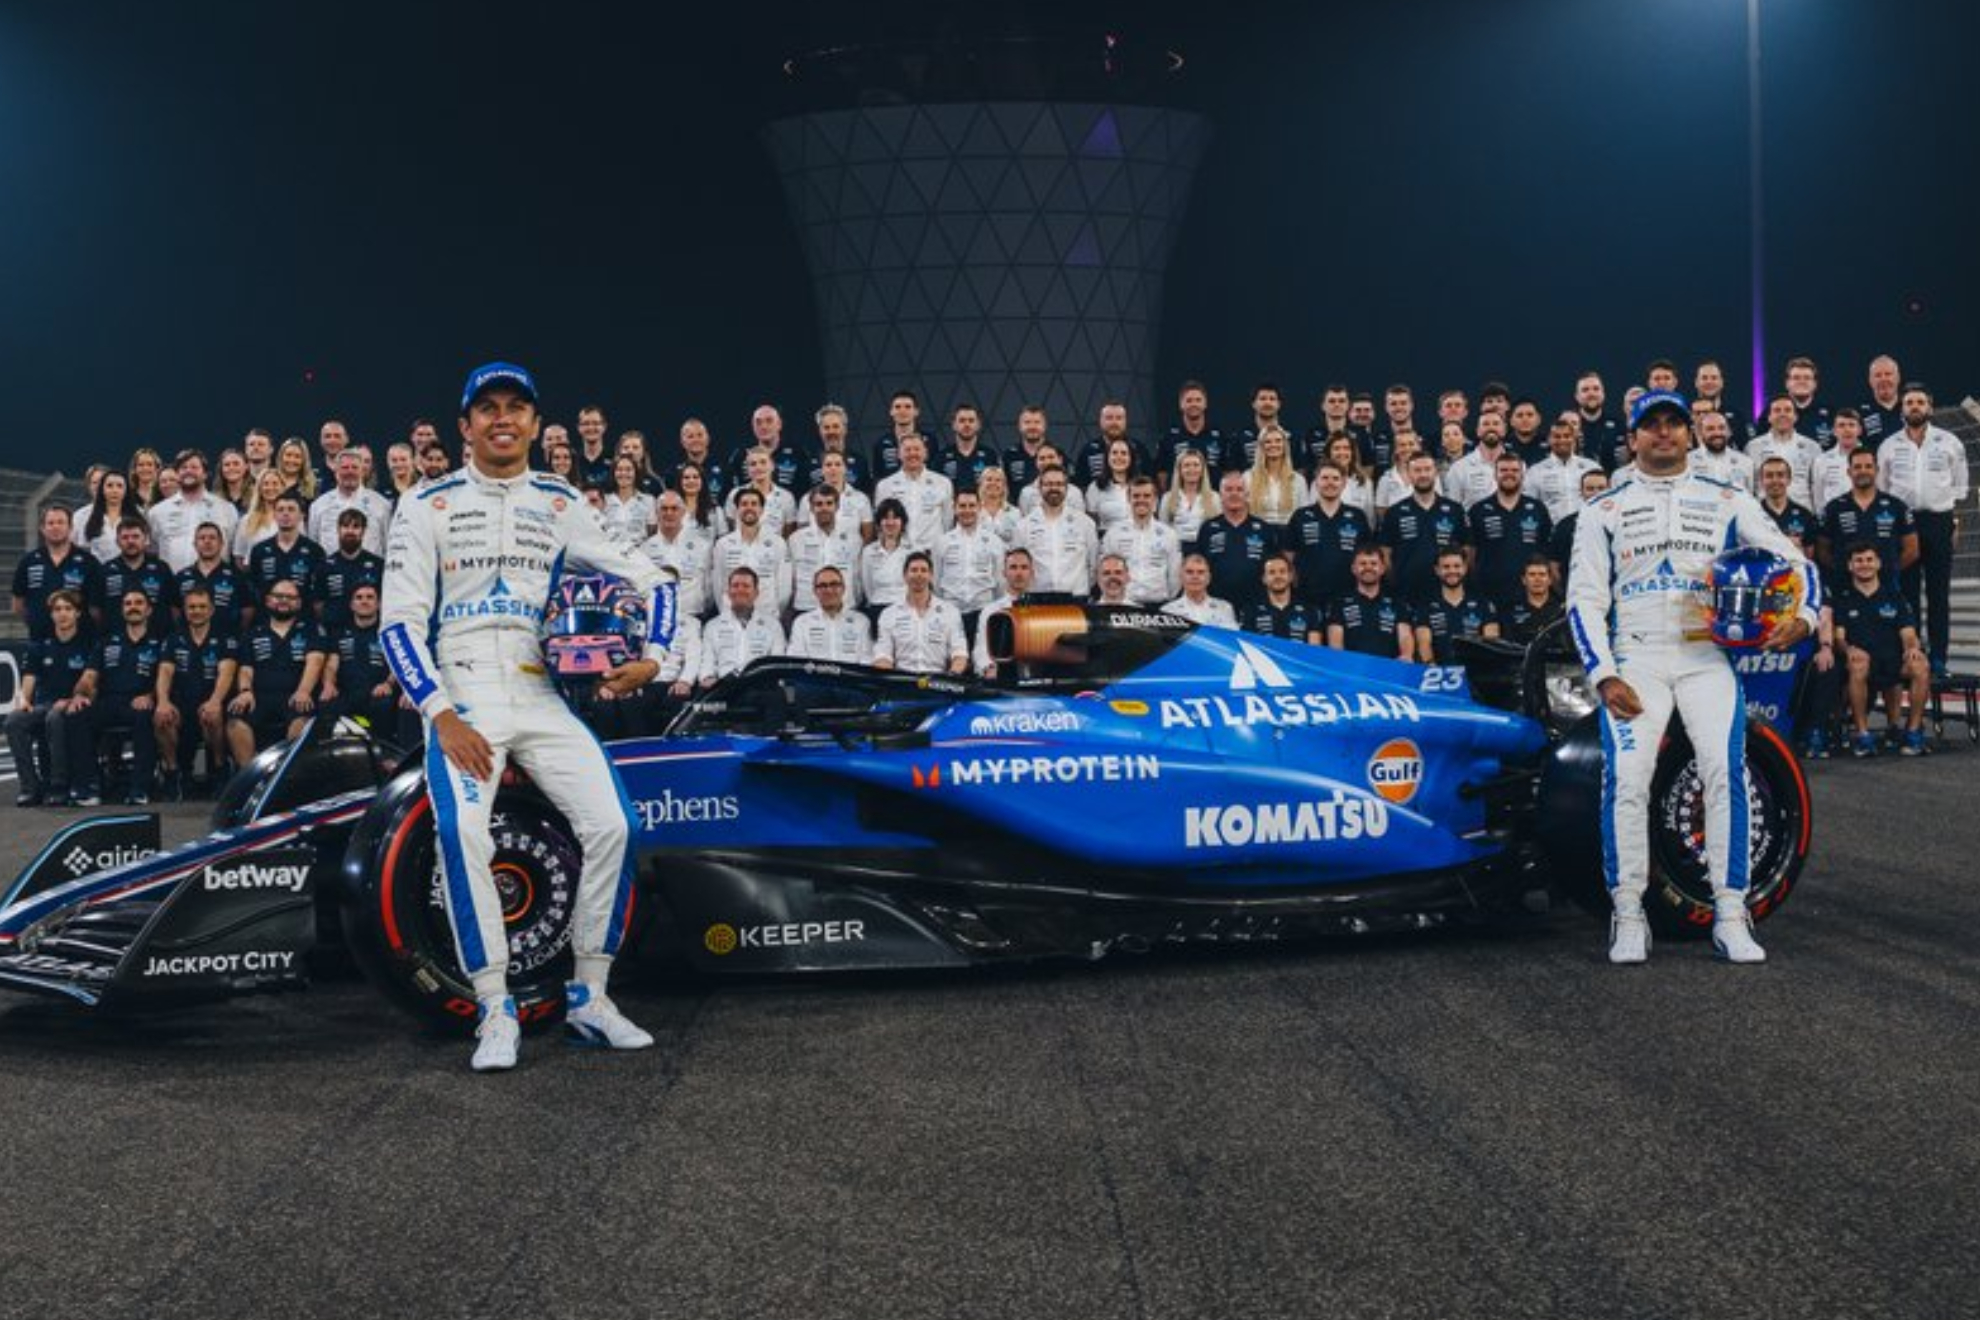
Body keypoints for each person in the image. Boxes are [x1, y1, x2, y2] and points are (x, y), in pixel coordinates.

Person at [381, 363, 675, 1071]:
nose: (503, 419)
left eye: (516, 407)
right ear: (465, 426)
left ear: (536, 425)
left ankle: (590, 999)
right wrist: (441, 714)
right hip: (463, 689)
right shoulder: (425, 503)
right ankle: (493, 1006)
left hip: (539, 687)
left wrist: (655, 658)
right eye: (488, 409)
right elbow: (397, 624)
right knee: (461, 829)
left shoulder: (561, 499)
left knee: (614, 825)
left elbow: (655, 579)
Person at [1566, 390, 1817, 967]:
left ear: (1690, 434)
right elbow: (1583, 600)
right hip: (1636, 658)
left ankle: (1730, 913)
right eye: (1651, 424)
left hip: (1706, 657)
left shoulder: (1727, 497)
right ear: (1633, 437)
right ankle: (1628, 913)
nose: (1663, 433)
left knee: (1724, 773)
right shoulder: (1601, 509)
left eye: (1673, 424)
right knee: (1628, 779)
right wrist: (1603, 674)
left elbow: (1795, 562)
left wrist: (1803, 618)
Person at [1877, 383, 1970, 678]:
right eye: (1909, 402)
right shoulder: (1888, 445)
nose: (1915, 406)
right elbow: (1883, 487)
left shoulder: (1950, 441)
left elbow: (1960, 486)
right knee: (1907, 593)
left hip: (1939, 522)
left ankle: (1939, 658)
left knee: (1938, 592)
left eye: (1920, 402)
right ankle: (1912, 656)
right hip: (1903, 525)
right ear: (1902, 409)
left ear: (1929, 407)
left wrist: (1953, 521)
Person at [1833, 541, 1931, 757]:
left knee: (1920, 664)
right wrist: (1849, 650)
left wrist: (1912, 648)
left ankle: (1913, 732)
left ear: (1878, 563)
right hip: (1863, 663)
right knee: (1858, 664)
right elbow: (1838, 639)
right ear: (1850, 566)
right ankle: (1863, 735)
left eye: (1869, 560)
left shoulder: (1894, 597)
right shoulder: (1843, 599)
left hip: (1893, 661)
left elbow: (1908, 634)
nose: (1864, 564)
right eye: (1859, 560)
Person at [6, 590, 97, 806]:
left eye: (68, 609)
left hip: (75, 707)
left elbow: (92, 683)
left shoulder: (88, 645)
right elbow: (28, 680)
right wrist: (24, 701)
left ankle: (58, 785)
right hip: (45, 705)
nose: (62, 614)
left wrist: (73, 699)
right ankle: (30, 787)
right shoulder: (40, 646)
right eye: (57, 609)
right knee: (14, 721)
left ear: (77, 613)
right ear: (51, 614)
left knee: (55, 717)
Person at [78, 589, 168, 803]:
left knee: (145, 717)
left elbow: (167, 678)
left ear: (149, 610)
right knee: (78, 716)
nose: (133, 607)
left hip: (141, 702)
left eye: (138, 603)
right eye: (128, 603)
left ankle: (140, 789)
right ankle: (89, 787)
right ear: (122, 610)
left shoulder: (161, 643)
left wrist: (151, 696)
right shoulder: (107, 642)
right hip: (109, 701)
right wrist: (80, 694)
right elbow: (89, 676)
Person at [226, 580, 329, 761]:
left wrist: (304, 691)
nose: (284, 600)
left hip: (295, 696)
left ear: (299, 603)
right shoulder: (253, 633)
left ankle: (288, 776)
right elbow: (245, 669)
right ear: (268, 600)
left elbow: (315, 662)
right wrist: (245, 691)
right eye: (278, 596)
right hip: (259, 697)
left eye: (290, 597)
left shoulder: (311, 630)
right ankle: (250, 776)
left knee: (302, 723)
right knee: (236, 721)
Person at [154, 584, 240, 797]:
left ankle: (220, 769)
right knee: (162, 717)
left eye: (202, 607)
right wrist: (163, 701)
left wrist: (215, 701)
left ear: (211, 610)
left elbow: (227, 673)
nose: (197, 611)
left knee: (213, 714)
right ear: (184, 610)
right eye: (192, 607)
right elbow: (165, 672)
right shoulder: (174, 639)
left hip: (212, 701)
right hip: (182, 703)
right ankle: (173, 774)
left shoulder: (225, 639)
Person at [1818, 449, 1916, 591]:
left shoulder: (1896, 506)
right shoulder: (1834, 508)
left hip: (1887, 587)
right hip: (1845, 587)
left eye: (1868, 466)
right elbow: (1822, 550)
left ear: (1876, 470)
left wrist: (1890, 570)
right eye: (1857, 467)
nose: (1863, 471)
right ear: (1849, 472)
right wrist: (1843, 569)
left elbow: (1912, 549)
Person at [1284, 460, 1372, 615]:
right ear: (1316, 483)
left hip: (1349, 595)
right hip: (1307, 597)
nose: (1330, 483)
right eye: (1324, 478)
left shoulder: (1357, 516)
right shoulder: (1300, 516)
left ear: (1344, 483)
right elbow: (1288, 556)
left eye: (1335, 478)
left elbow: (1367, 555)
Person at [1380, 453, 1470, 604]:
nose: (1423, 475)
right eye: (1417, 470)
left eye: (1427, 469)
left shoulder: (1455, 510)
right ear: (1409, 474)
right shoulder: (1394, 512)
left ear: (1435, 472)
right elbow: (1386, 554)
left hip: (1446, 595)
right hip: (1406, 594)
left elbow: (1466, 550)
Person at [1467, 453, 1553, 608]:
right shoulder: (1478, 510)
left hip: (1529, 595)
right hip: (1489, 592)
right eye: (1503, 470)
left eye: (1514, 470)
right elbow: (1471, 555)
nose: (1509, 474)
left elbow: (1547, 551)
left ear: (1522, 475)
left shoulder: (1537, 508)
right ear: (1495, 475)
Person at [1192, 471, 1277, 615]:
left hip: (1256, 605)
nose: (1234, 494)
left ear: (1247, 495)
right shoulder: (1208, 528)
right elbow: (1199, 566)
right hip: (1216, 605)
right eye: (1229, 489)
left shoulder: (1264, 529)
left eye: (1239, 489)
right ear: (1220, 495)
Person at [873, 551, 968, 674]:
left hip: (937, 680)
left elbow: (960, 654)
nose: (919, 574)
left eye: (924, 570)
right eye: (914, 570)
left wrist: (951, 677)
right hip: (902, 680)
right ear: (905, 576)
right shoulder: (888, 614)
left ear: (931, 576)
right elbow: (883, 656)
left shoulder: (951, 612)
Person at [319, 583, 397, 732]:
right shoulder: (339, 632)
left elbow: (397, 664)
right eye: (359, 598)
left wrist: (388, 684)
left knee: (383, 704)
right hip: (346, 694)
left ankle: (383, 746)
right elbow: (331, 666)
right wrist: (328, 684)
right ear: (351, 605)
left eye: (370, 597)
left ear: (379, 604)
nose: (364, 601)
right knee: (326, 703)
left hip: (377, 693)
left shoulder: (388, 632)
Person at [13, 506, 99, 641]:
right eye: (51, 523)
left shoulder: (89, 562)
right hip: (40, 641)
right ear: (42, 528)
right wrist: (36, 622)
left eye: (60, 522)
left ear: (70, 528)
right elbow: (18, 605)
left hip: (80, 642)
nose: (55, 527)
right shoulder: (28, 562)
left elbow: (96, 608)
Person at [147, 450, 240, 573]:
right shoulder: (157, 512)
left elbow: (234, 550)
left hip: (215, 582)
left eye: (194, 467)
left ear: (205, 474)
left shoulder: (226, 509)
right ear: (177, 474)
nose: (188, 471)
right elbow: (151, 551)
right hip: (171, 582)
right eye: (183, 467)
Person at [1015, 467, 1098, 599]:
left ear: (1067, 488)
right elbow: (1018, 567)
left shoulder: (1085, 523)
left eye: (1059, 484)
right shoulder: (1023, 526)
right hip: (1037, 599)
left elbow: (1094, 565)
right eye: (1048, 484)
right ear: (1039, 488)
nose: (1054, 488)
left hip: (1076, 599)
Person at [1099, 476, 1182, 608]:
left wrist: (1167, 600)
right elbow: (1104, 571)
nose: (1141, 500)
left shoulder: (1169, 534)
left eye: (1146, 496)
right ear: (1128, 499)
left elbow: (1175, 577)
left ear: (1155, 500)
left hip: (1159, 606)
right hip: (1124, 605)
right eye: (1136, 496)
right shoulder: (1114, 533)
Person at [698, 566, 787, 686]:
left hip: (760, 687)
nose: (740, 590)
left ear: (756, 593)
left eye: (746, 586)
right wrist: (707, 677)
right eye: (735, 586)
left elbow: (777, 663)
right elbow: (707, 662)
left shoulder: (773, 626)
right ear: (728, 592)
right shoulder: (712, 626)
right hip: (723, 687)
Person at [711, 487, 793, 616]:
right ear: (737, 510)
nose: (749, 508)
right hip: (731, 616)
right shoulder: (723, 544)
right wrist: (725, 611)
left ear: (762, 510)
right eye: (744, 504)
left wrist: (774, 612)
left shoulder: (778, 543)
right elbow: (718, 585)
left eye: (754, 504)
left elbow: (784, 587)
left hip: (767, 615)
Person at [1325, 544, 1414, 660]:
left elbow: (1405, 637)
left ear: (1382, 569)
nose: (1368, 568)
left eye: (1374, 563)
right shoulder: (1339, 604)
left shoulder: (1397, 603)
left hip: (1388, 668)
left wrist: (1406, 656)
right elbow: (1335, 644)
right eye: (1362, 564)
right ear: (1353, 569)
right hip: (1352, 668)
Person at [1413, 549, 1500, 663]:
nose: (1452, 571)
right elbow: (1424, 644)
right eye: (1446, 567)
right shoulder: (1426, 606)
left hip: (1475, 670)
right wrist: (1433, 668)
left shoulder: (1483, 604)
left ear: (1465, 568)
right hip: (1439, 670)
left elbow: (1491, 644)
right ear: (1437, 570)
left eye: (1457, 566)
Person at [639, 491, 715, 620]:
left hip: (692, 616)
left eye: (674, 508)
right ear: (657, 513)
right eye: (664, 509)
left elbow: (708, 587)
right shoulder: (645, 549)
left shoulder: (702, 546)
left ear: (683, 512)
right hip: (657, 617)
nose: (669, 513)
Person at [872, 435, 953, 551]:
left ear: (925, 453)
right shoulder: (885, 486)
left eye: (917, 449)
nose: (912, 454)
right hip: (898, 552)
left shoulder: (943, 483)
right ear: (899, 454)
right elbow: (880, 525)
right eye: (907, 450)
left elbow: (948, 521)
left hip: (932, 552)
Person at [93, 516, 179, 625]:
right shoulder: (105, 571)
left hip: (157, 633)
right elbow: (95, 609)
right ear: (117, 541)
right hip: (115, 634)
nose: (130, 541)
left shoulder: (162, 569)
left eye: (136, 536)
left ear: (146, 539)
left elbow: (175, 607)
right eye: (125, 537)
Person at [311, 511, 386, 630]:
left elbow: (383, 601)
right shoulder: (324, 566)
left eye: (356, 527)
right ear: (338, 529)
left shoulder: (378, 565)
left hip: (369, 632)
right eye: (345, 526)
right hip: (334, 632)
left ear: (363, 531)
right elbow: (317, 604)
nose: (350, 531)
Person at [308, 450, 393, 556]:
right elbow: (313, 546)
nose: (350, 472)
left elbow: (389, 545)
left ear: (362, 471)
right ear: (336, 472)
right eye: (345, 467)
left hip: (371, 565)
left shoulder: (381, 505)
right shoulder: (318, 506)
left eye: (354, 467)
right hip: (329, 565)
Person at [247, 493, 327, 606]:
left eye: (291, 509)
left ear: (302, 515)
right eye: (280, 510)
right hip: (266, 614)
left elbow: (319, 593)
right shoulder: (259, 550)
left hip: (303, 614)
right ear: (274, 515)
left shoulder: (315, 551)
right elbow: (253, 589)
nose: (285, 514)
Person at [787, 566, 873, 663]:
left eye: (834, 584)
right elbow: (796, 660)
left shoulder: (861, 622)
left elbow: (866, 659)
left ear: (843, 588)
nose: (829, 590)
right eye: (822, 586)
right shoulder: (801, 623)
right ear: (815, 591)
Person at [175, 521, 249, 634]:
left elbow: (247, 610)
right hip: (190, 639)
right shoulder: (181, 577)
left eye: (212, 538)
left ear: (221, 544)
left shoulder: (236, 576)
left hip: (228, 639)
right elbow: (175, 610)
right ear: (195, 544)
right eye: (202, 538)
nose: (207, 542)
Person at [1241, 553, 1322, 644]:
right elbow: (1247, 645)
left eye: (1282, 571)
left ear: (1290, 576)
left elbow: (1314, 649)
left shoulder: (1309, 610)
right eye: (1272, 572)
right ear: (1264, 579)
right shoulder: (1251, 610)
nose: (1278, 576)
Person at [1162, 553, 1238, 627]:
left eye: (1201, 572)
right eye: (1189, 572)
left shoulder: (1224, 608)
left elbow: (1230, 635)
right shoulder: (1168, 610)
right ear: (1181, 577)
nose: (1195, 577)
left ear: (1208, 578)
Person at [1501, 557, 1564, 645]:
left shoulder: (1562, 610)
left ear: (1550, 580)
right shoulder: (1510, 610)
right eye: (1532, 574)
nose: (1537, 579)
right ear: (1524, 580)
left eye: (1542, 574)